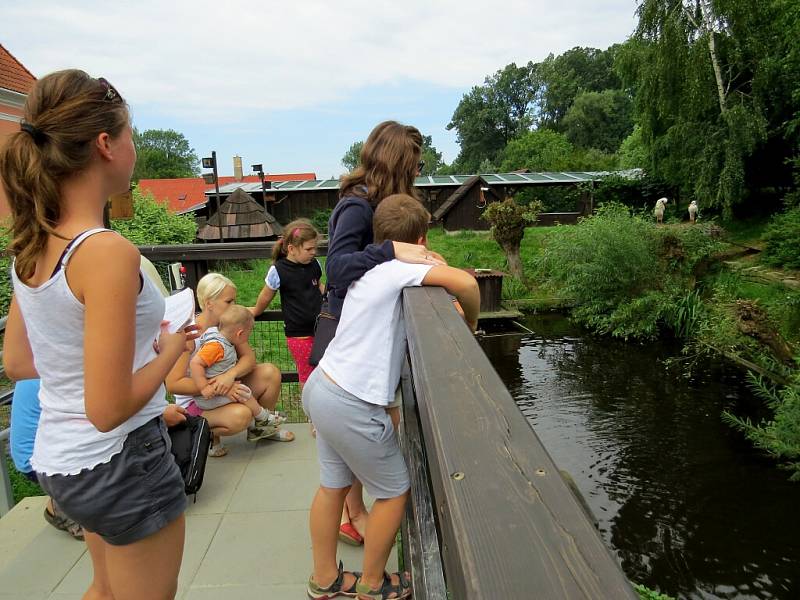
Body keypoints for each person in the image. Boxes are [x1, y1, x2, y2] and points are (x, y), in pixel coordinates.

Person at [1, 70, 196, 600]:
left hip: (65, 464)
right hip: (120, 457)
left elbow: (17, 360)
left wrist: (96, 364)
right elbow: (107, 409)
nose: (135, 146)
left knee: (105, 590)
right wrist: (171, 352)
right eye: (131, 133)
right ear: (106, 144)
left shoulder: (34, 244)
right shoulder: (106, 252)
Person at [303, 194, 480, 599]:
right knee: (393, 491)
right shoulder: (399, 269)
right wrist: (470, 322)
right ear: (419, 238)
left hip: (323, 385)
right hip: (350, 401)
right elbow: (468, 284)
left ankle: (325, 578)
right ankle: (371, 584)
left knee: (332, 486)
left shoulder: (372, 268)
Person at [323, 120, 444, 545]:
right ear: (397, 162)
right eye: (413, 164)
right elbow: (336, 271)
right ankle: (354, 514)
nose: (416, 172)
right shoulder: (357, 205)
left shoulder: (372, 202)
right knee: (355, 441)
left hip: (352, 345)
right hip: (350, 340)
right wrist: (392, 251)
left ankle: (352, 514)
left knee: (345, 448)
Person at [165, 273, 292, 458]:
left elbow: (249, 358)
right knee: (242, 416)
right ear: (209, 303)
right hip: (195, 402)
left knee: (270, 373)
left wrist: (230, 375)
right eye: (229, 301)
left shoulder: (225, 326)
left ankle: (262, 429)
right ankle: (200, 434)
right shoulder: (189, 333)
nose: (235, 306)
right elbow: (174, 384)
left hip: (222, 388)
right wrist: (220, 387)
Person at [189, 303, 282, 440]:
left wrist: (229, 375)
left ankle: (260, 425)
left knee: (241, 391)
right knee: (243, 393)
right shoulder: (216, 346)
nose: (248, 338)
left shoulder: (221, 335)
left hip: (216, 390)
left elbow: (249, 359)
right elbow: (195, 363)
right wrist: (204, 386)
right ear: (239, 334)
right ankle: (263, 418)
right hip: (207, 398)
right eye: (248, 335)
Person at [250, 219, 323, 390]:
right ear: (292, 249)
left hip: (321, 328)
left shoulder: (314, 265)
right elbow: (266, 295)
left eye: (315, 248)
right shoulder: (279, 270)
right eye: (309, 249)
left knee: (324, 371)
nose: (314, 252)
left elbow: (319, 286)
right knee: (307, 374)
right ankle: (311, 412)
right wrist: (256, 310)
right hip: (299, 335)